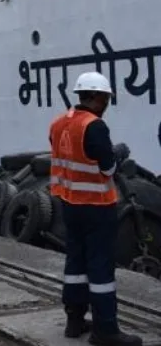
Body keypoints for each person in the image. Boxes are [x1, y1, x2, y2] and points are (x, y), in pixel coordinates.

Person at [49, 71, 141, 346]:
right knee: (101, 268)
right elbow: (107, 167)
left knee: (75, 262)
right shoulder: (95, 126)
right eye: (107, 98)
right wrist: (119, 153)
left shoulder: (58, 123)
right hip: (97, 206)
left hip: (69, 203)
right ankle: (106, 329)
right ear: (99, 97)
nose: (108, 103)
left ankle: (74, 320)